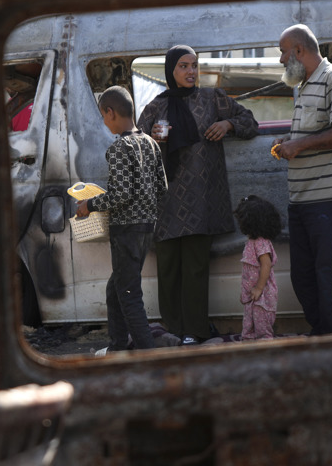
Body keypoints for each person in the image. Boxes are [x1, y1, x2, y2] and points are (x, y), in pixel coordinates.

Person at [138, 45, 258, 345]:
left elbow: (250, 122)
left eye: (194, 65)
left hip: (202, 200)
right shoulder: (156, 107)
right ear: (170, 71)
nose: (191, 71)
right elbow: (136, 146)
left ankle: (194, 331)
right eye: (183, 66)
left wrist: (227, 123)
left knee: (195, 268)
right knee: (167, 269)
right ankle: (174, 331)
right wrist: (152, 139)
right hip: (165, 200)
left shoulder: (213, 99)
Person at [272, 24, 332, 335]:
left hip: (330, 198)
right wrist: (292, 140)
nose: (281, 60)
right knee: (304, 278)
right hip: (302, 200)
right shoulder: (306, 84)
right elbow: (317, 133)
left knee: (331, 279)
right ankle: (323, 337)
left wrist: (299, 144)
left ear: (299, 50)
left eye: (283, 52)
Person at [77, 86, 168, 354]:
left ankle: (147, 355)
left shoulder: (120, 147)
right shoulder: (150, 143)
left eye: (104, 118)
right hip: (146, 227)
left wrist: (89, 204)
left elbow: (122, 194)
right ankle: (116, 348)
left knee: (129, 295)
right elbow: (162, 188)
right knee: (116, 290)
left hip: (125, 230)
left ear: (110, 112)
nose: (105, 123)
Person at [234, 195, 281, 341]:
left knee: (262, 330)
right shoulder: (252, 241)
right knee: (249, 326)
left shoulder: (261, 243)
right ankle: (249, 348)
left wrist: (259, 288)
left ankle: (265, 352)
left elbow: (266, 265)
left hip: (263, 297)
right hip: (253, 296)